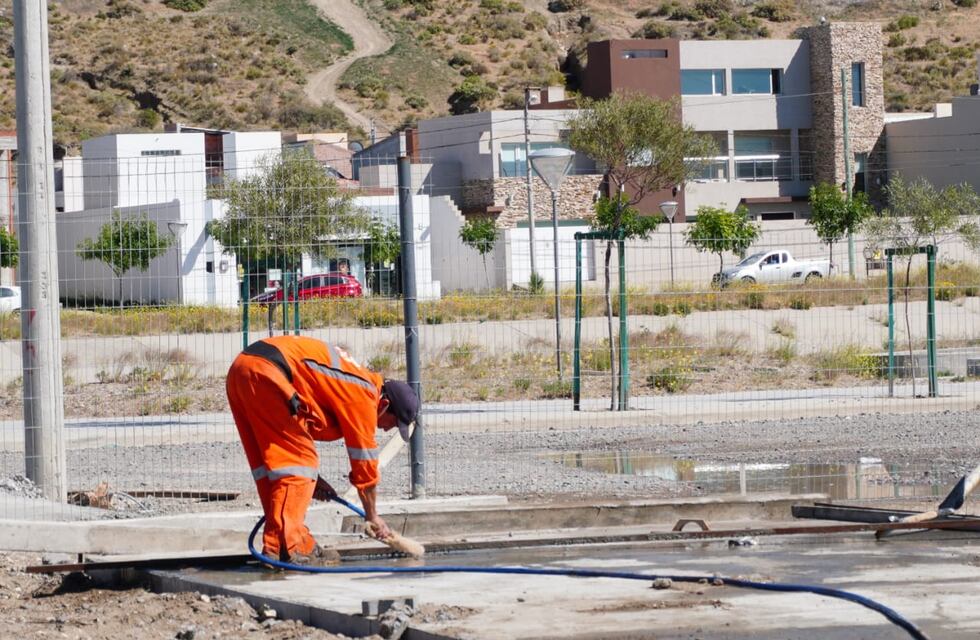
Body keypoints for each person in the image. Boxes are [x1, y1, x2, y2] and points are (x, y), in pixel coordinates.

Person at [226, 335, 419, 565]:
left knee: (274, 469)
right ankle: (289, 547)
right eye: (393, 423)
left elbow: (298, 428)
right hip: (267, 373)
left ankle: (286, 543)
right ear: (385, 405)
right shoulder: (365, 396)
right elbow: (365, 466)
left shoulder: (352, 383)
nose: (388, 430)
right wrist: (372, 515)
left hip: (243, 371)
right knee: (300, 464)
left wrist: (313, 480)